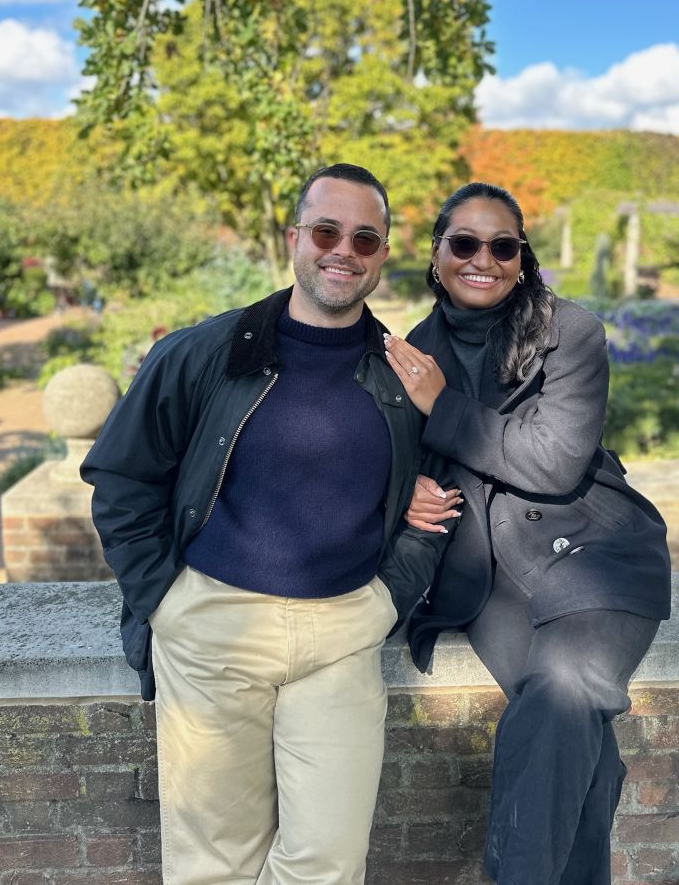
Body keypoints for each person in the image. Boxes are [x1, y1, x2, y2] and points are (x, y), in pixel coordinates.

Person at [80, 164, 447, 885]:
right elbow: (122, 477)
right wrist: (164, 598)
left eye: (364, 238)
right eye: (326, 230)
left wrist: (388, 600)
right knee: (212, 863)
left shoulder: (401, 376)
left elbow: (435, 501)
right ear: (294, 238)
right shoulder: (204, 352)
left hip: (343, 633)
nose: (343, 250)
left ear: (382, 254)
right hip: (212, 627)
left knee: (328, 862)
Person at [383, 182, 672, 885]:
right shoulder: (417, 350)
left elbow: (555, 459)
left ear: (521, 257)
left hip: (594, 557)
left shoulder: (570, 332)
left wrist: (442, 409)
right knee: (574, 745)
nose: (482, 259)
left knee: (566, 688)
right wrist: (406, 490)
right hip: (487, 577)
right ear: (437, 253)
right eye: (465, 243)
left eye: (502, 246)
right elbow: (388, 456)